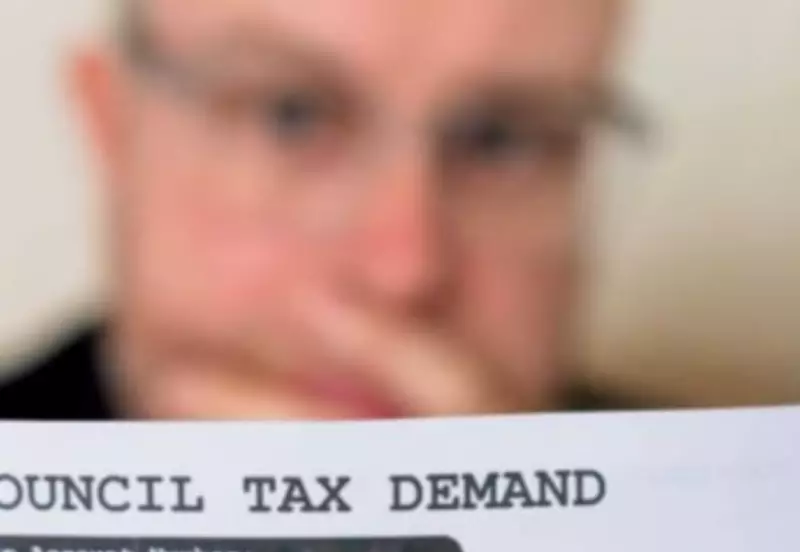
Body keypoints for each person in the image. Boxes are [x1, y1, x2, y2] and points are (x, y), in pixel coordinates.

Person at [0, 0, 635, 421]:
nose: (403, 271)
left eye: (503, 140)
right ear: (113, 124)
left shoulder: (688, 525)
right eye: (292, 115)